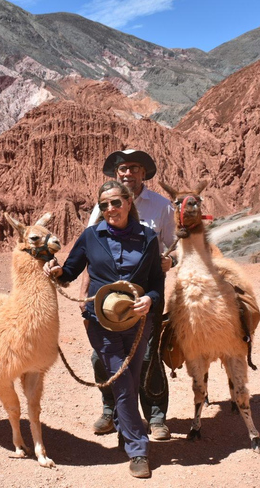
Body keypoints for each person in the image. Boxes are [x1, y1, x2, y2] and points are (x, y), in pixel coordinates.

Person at [45, 180, 165, 478]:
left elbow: (157, 284)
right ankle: (138, 449)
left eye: (116, 202)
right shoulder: (91, 236)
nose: (110, 209)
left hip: (137, 322)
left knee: (132, 380)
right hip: (101, 321)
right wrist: (57, 270)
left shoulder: (148, 238)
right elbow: (70, 271)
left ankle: (126, 431)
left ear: (128, 203)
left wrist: (150, 300)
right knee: (122, 381)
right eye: (104, 204)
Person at [82, 149, 175, 440]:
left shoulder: (161, 207)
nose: (127, 173)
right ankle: (111, 409)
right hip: (106, 300)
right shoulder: (102, 207)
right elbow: (89, 252)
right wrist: (85, 296)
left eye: (134, 168)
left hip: (145, 297)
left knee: (147, 355)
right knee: (104, 356)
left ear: (144, 173)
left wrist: (170, 261)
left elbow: (174, 247)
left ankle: (156, 417)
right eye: (123, 168)